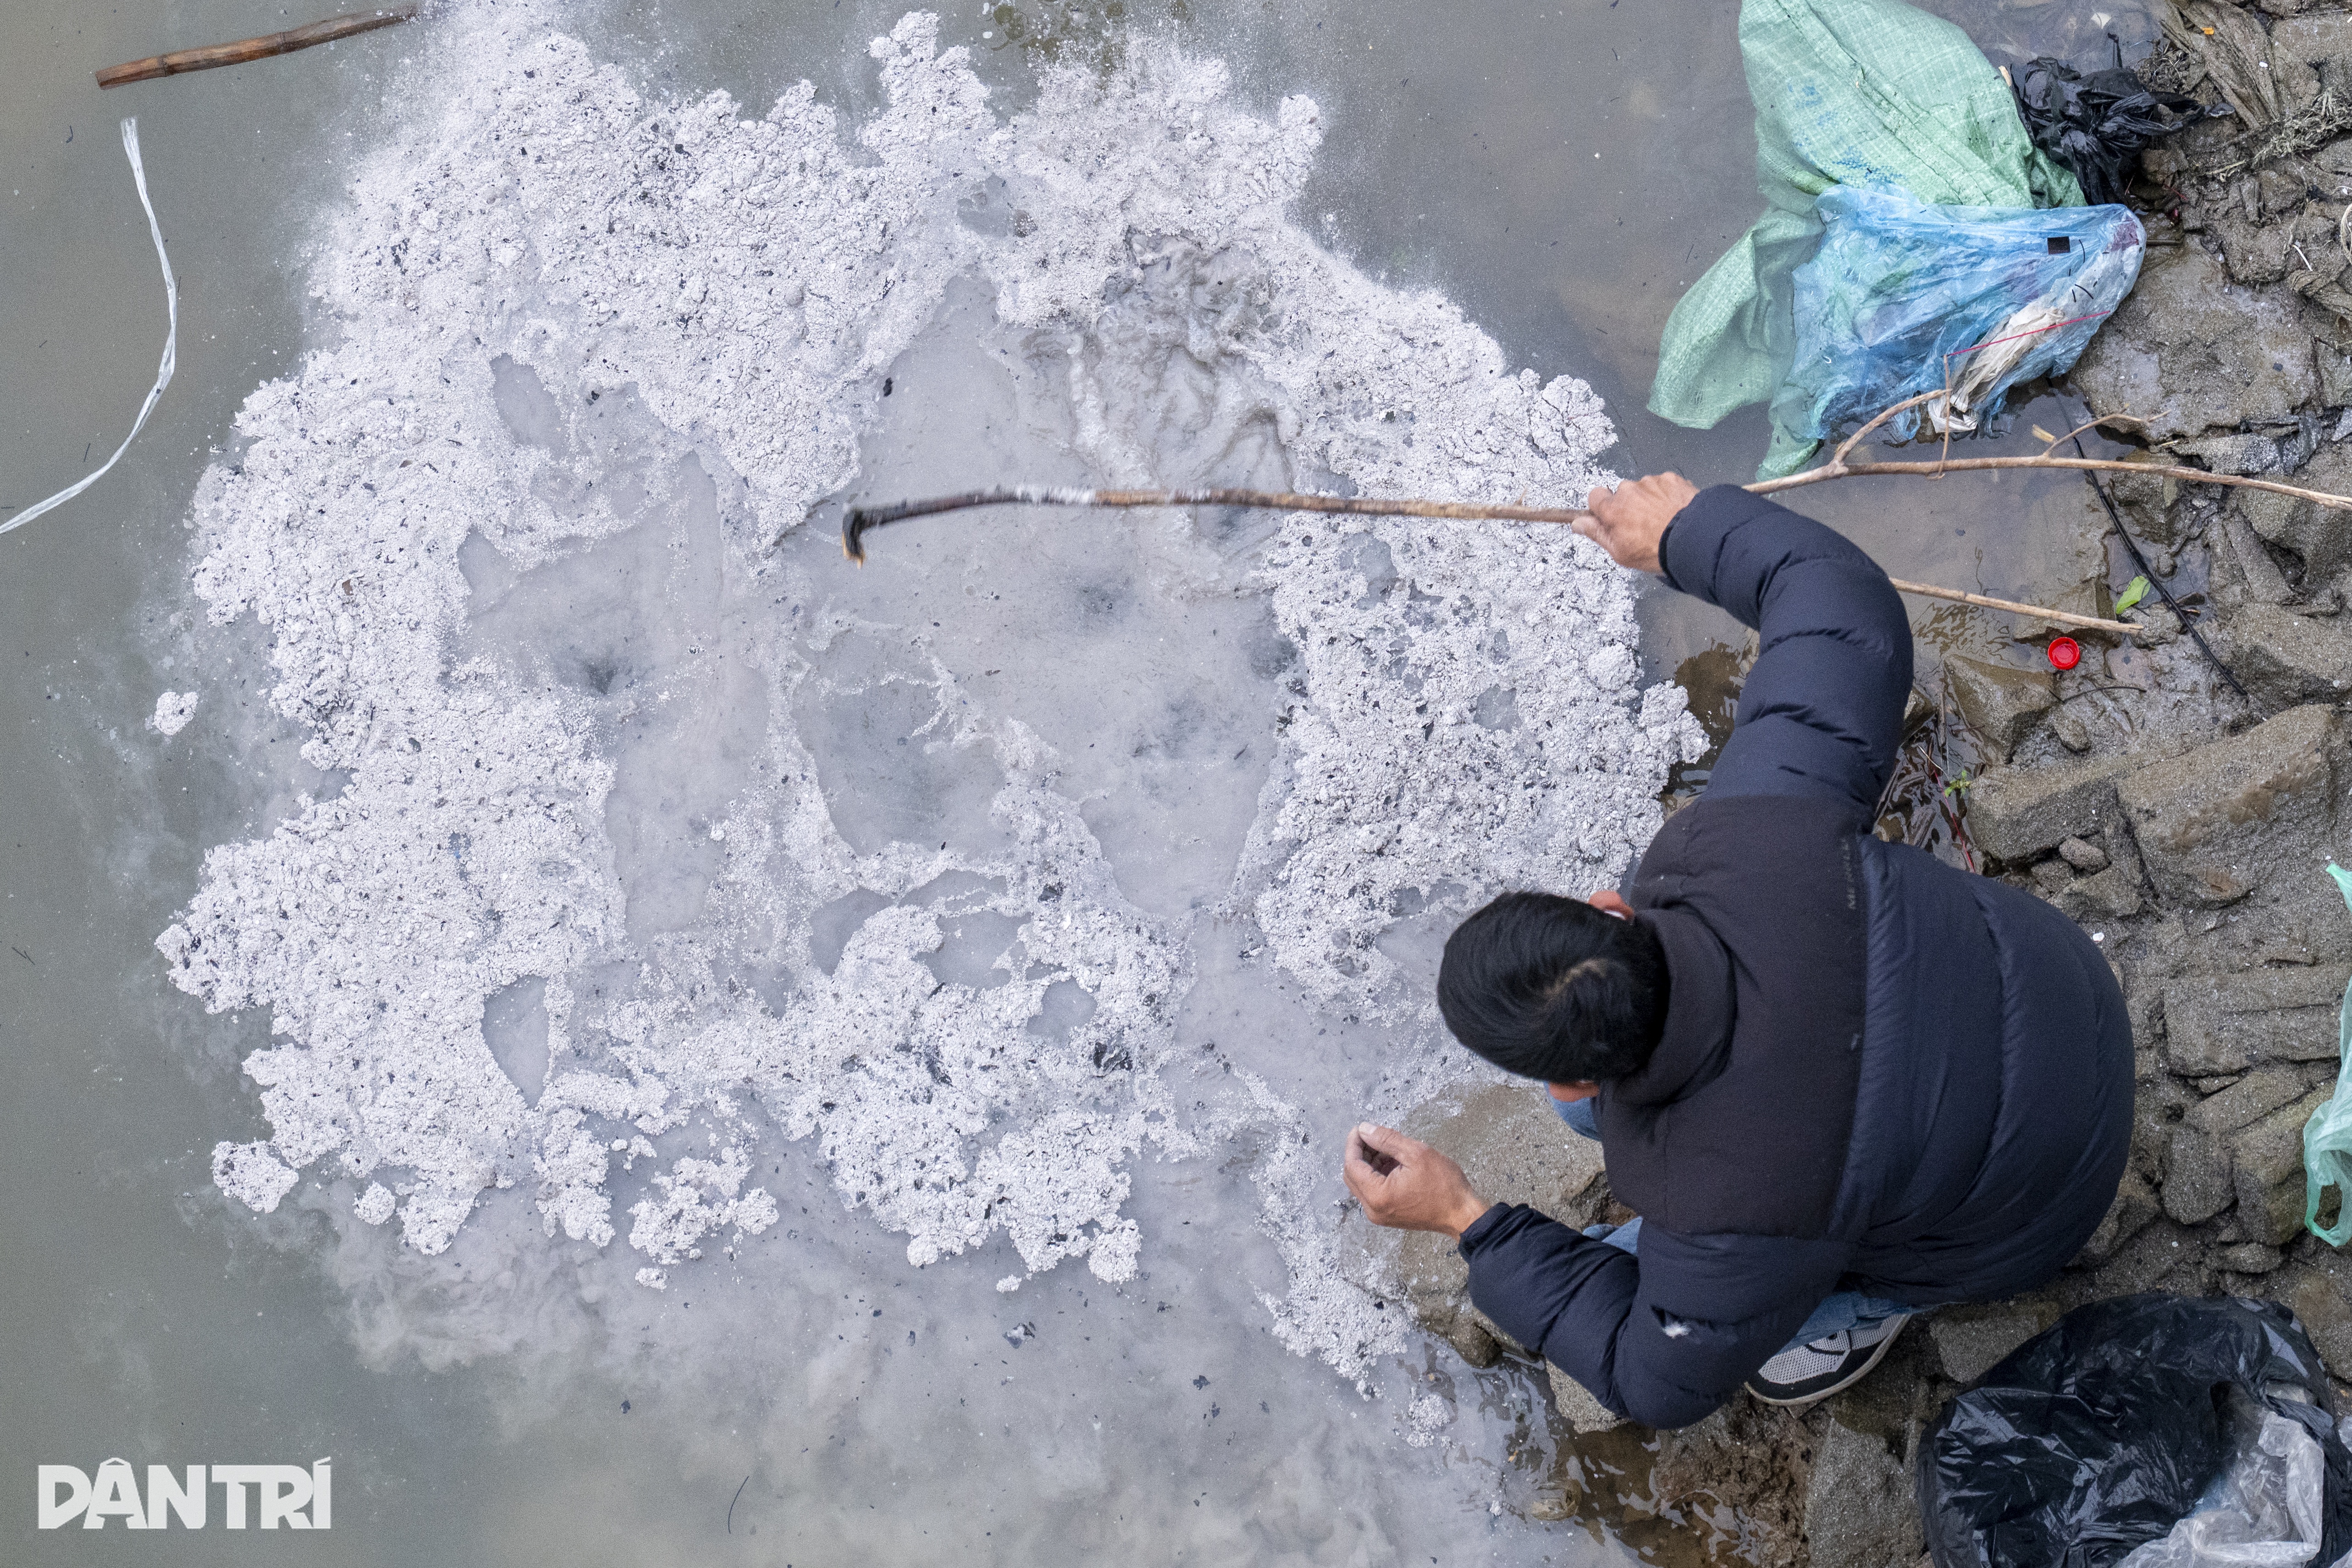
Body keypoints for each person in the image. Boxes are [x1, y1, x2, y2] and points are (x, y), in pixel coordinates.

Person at [1342, 474, 2131, 1426]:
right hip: (2071, 997)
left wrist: (1464, 1218)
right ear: (1611, 911)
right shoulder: (1745, 837)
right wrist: (1683, 532)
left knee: (1646, 1281)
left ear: (1574, 1081)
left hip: (2038, 1210)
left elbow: (1653, 1381)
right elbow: (1847, 612)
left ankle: (1856, 1319)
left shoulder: (1731, 1200)